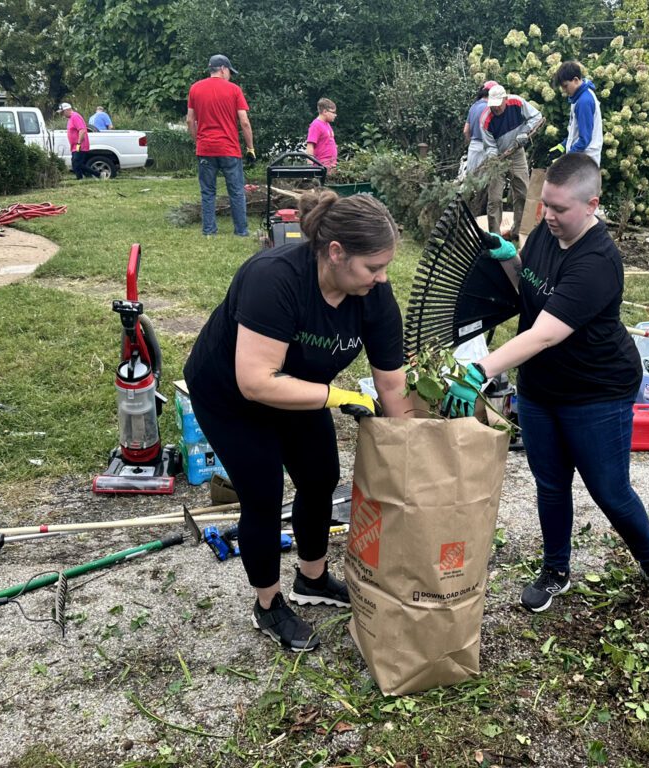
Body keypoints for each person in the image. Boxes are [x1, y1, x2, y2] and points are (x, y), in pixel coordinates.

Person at [443, 153, 649, 617]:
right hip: (541, 386)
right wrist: (512, 259)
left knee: (610, 491)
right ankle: (556, 570)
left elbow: (547, 331)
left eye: (559, 209)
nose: (548, 216)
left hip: (597, 390)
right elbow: (529, 295)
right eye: (545, 206)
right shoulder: (543, 237)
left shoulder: (598, 261)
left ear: (591, 204)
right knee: (550, 484)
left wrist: (482, 370)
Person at [182, 190, 417, 652]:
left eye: (385, 265)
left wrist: (416, 447)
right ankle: (268, 605)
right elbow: (256, 382)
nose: (382, 277)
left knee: (320, 476)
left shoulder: (374, 297)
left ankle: (311, 579)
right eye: (373, 267)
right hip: (232, 395)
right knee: (264, 491)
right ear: (335, 253)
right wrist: (337, 395)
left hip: (299, 387)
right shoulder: (275, 279)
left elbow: (392, 386)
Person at [187, 54, 256, 237]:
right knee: (236, 191)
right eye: (229, 72)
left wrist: (199, 141)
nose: (230, 76)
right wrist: (250, 148)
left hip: (206, 149)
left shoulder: (195, 89)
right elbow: (245, 122)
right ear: (223, 69)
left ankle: (209, 231)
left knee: (208, 192)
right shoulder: (234, 90)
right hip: (229, 149)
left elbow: (189, 121)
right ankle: (241, 231)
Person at [480, 84, 542, 242]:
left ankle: (519, 231)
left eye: (498, 105)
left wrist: (524, 132)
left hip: (517, 153)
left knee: (523, 192)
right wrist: (494, 158)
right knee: (494, 198)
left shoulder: (517, 103)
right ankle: (495, 237)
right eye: (492, 106)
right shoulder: (486, 120)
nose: (495, 109)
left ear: (505, 99)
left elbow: (536, 117)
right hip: (498, 159)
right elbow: (489, 146)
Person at [551, 61, 603, 166]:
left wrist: (565, 159)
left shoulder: (584, 101)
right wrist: (563, 146)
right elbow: (576, 133)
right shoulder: (579, 96)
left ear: (575, 80)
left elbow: (584, 139)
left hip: (585, 162)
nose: (564, 90)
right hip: (581, 159)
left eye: (565, 86)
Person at [462, 81, 498, 215]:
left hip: (473, 146)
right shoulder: (491, 108)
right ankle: (479, 213)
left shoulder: (473, 107)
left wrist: (470, 142)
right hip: (487, 147)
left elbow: (466, 130)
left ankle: (464, 211)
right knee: (484, 185)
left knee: (470, 181)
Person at [58, 103, 98, 180]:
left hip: (80, 145)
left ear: (67, 110)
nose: (62, 114)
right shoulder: (70, 118)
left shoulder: (75, 117)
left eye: (62, 112)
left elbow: (82, 130)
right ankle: (80, 178)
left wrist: (78, 144)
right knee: (75, 164)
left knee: (77, 164)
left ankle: (97, 174)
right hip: (75, 146)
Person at [306, 98, 338, 168]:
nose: (335, 115)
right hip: (321, 166)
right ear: (325, 111)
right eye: (333, 112)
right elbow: (310, 146)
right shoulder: (316, 125)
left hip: (331, 165)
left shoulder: (327, 124)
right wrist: (310, 167)